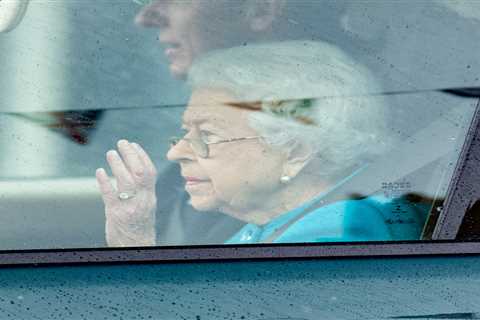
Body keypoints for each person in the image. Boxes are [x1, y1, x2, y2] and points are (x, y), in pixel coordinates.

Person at [96, 41, 429, 246]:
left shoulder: (338, 234)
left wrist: (134, 242)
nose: (176, 152)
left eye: (207, 136)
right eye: (184, 134)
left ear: (295, 152)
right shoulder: (290, 225)